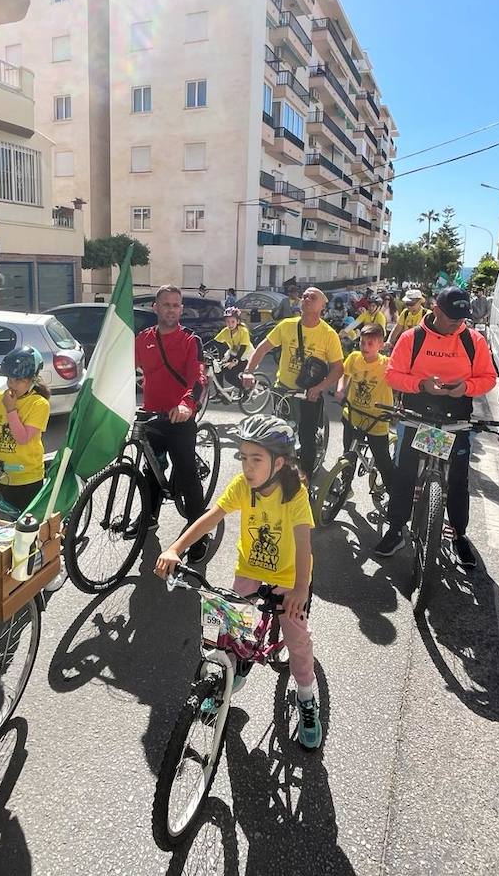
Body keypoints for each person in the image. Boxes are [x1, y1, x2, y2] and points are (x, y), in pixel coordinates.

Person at [154, 415, 322, 750]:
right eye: (243, 457)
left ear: (280, 462)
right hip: (250, 570)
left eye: (256, 459)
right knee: (229, 633)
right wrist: (176, 548)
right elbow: (211, 517)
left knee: (297, 639)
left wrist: (301, 589)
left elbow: (304, 545)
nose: (247, 466)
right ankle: (231, 677)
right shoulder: (243, 487)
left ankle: (306, 697)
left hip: (289, 577)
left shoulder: (295, 495)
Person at [377, 287, 497, 564]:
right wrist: (421, 384)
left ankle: (458, 535)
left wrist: (465, 387)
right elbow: (392, 375)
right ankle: (396, 528)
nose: (459, 323)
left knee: (457, 480)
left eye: (463, 317)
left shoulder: (473, 340)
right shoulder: (412, 338)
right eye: (453, 317)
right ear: (436, 309)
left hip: (455, 417)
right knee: (405, 474)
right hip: (418, 415)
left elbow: (488, 378)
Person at [135, 285, 210, 560]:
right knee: (151, 469)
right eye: (166, 304)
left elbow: (199, 378)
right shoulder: (142, 338)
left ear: (181, 309)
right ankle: (149, 517)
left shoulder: (190, 340)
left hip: (179, 416)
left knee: (187, 473)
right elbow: (122, 367)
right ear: (155, 307)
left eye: (176, 305)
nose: (171, 309)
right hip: (151, 414)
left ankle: (199, 531)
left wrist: (187, 404)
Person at [242, 287, 345, 475]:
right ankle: (278, 473)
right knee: (277, 435)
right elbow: (262, 348)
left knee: (307, 439)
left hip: (309, 393)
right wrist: (249, 371)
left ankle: (304, 482)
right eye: (304, 295)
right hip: (283, 391)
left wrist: (320, 387)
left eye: (312, 297)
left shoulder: (328, 334)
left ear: (322, 305)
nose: (306, 299)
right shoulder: (286, 325)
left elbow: (338, 368)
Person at [0, 346, 51, 514]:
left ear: (32, 379)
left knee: (27, 527)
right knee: (4, 521)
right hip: (4, 476)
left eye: (18, 380)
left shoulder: (39, 404)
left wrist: (11, 410)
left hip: (28, 477)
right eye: (9, 379)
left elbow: (23, 438)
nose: (12, 384)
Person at [335, 323, 396, 481]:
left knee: (383, 461)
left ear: (381, 345)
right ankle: (345, 487)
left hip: (376, 420)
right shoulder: (354, 357)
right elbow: (345, 374)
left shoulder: (388, 364)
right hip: (352, 414)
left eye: (370, 343)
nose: (365, 347)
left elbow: (401, 383)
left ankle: (393, 495)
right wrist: (341, 389)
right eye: (362, 342)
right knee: (348, 454)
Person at [213, 307, 253, 394]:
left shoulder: (243, 331)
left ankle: (246, 390)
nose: (230, 324)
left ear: (238, 322)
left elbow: (243, 348)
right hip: (234, 353)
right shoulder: (226, 331)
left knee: (229, 376)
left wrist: (234, 362)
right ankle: (220, 394)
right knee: (217, 370)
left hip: (245, 356)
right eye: (227, 322)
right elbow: (214, 342)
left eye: (233, 322)